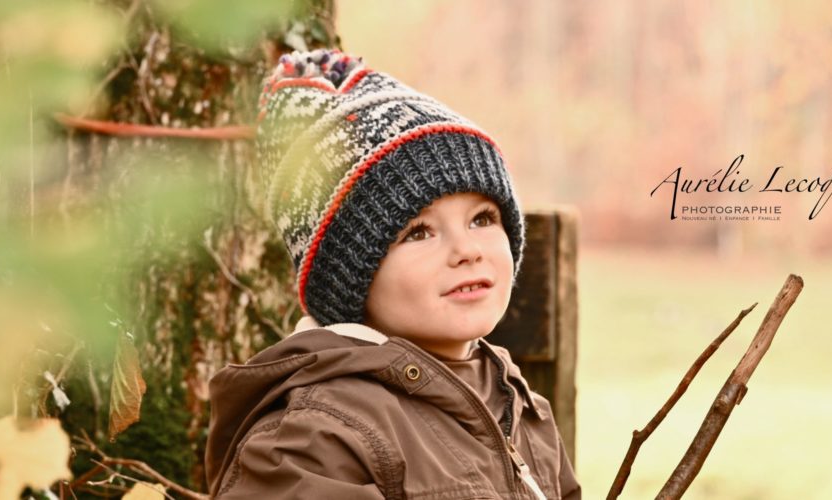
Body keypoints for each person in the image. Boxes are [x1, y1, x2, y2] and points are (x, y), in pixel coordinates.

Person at [204, 49, 581, 500]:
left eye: (482, 219)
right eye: (418, 232)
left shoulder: (516, 401)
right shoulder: (314, 436)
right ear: (349, 277)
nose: (466, 251)